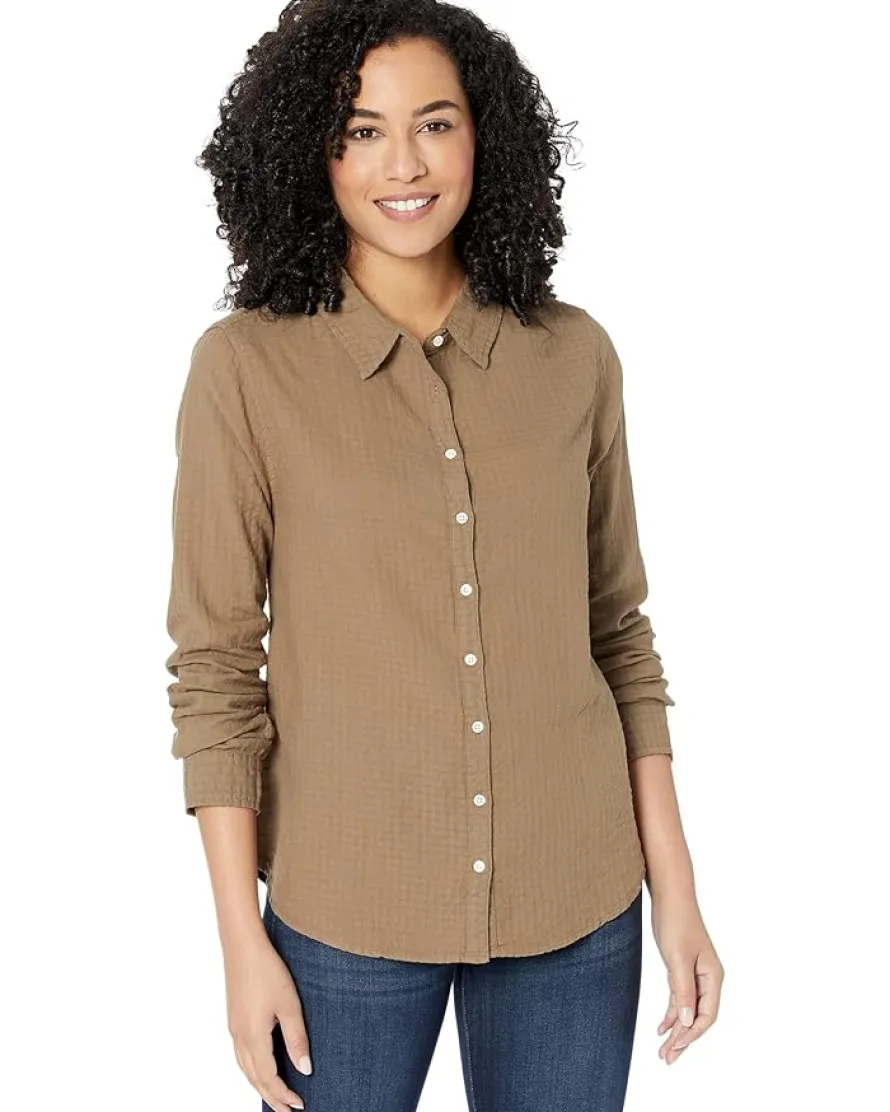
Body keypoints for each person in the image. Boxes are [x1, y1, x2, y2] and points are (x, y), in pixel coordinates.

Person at [163, 1, 725, 1109]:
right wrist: (240, 941)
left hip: (574, 899)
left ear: (485, 136)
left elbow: (617, 632)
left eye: (434, 123)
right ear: (309, 151)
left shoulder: (573, 356)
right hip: (345, 911)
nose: (404, 164)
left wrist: (677, 888)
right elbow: (217, 669)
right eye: (361, 131)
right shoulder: (244, 370)